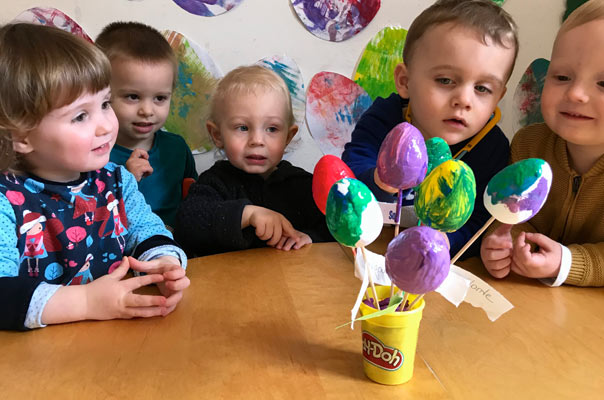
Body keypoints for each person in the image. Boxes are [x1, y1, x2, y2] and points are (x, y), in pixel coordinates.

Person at [0, 23, 190, 331]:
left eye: (104, 104)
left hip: (111, 342)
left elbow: (145, 229)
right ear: (22, 136)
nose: (105, 126)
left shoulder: (116, 179)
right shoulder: (6, 202)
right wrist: (87, 302)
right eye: (80, 116)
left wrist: (164, 264)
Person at [341, 0, 518, 258]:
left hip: (434, 262)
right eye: (445, 80)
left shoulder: (492, 148)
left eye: (482, 89)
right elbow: (352, 172)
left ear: (498, 97)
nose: (464, 100)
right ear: (405, 81)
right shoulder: (385, 117)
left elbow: (482, 219)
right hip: (370, 252)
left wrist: (448, 241)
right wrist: (380, 179)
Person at [481, 0, 604, 287]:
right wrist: (503, 246)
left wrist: (566, 262)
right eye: (562, 77)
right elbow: (513, 219)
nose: (575, 93)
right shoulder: (528, 146)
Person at [175, 65, 332, 256]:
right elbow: (187, 225)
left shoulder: (303, 185)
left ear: (288, 137)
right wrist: (246, 214)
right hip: (229, 282)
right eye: (242, 128)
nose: (257, 140)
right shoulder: (215, 182)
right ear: (217, 135)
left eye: (272, 129)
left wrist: (310, 238)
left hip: (289, 283)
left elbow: (336, 230)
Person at [96, 21, 198, 228]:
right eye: (133, 96)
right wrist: (124, 179)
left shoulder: (177, 148)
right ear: (101, 94)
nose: (147, 111)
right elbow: (85, 221)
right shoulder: (94, 155)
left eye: (160, 98)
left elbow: (195, 201)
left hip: (178, 253)